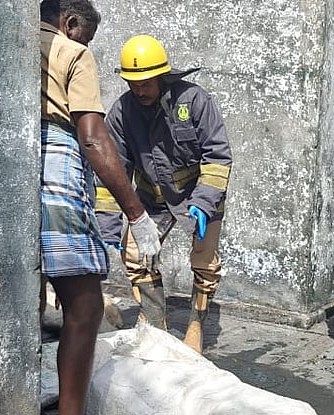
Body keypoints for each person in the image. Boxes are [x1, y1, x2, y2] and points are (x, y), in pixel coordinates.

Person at [38, 0, 162, 415]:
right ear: (71, 23)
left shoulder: (9, 44)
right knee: (85, 306)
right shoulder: (70, 51)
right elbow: (93, 139)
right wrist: (136, 213)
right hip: (57, 171)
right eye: (85, 35)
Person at [94, 34, 233, 354]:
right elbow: (112, 170)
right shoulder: (122, 112)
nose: (139, 89)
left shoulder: (196, 101)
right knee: (135, 257)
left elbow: (218, 156)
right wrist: (108, 224)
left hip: (199, 196)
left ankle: (197, 323)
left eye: (145, 82)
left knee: (205, 262)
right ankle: (157, 326)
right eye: (133, 83)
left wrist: (202, 203)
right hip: (151, 199)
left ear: (162, 76)